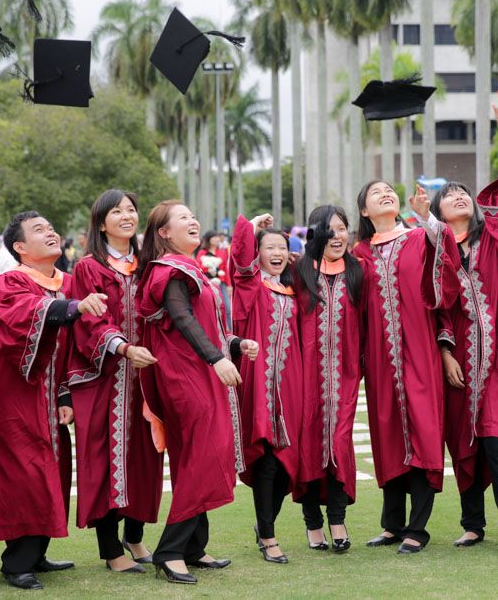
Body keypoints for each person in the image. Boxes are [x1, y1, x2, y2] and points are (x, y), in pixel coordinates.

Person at [0, 211, 108, 590]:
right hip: (10, 397)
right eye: (38, 230)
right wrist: (71, 308)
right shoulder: (9, 282)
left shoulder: (67, 282)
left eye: (50, 228)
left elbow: (72, 348)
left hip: (48, 399)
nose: (50, 233)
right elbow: (23, 319)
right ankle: (17, 564)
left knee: (52, 470)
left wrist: (64, 392)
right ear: (19, 247)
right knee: (22, 475)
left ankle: (36, 553)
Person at [430, 89, 498, 559]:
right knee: (464, 445)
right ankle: (472, 524)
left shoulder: (495, 239)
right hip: (458, 362)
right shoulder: (433, 250)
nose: (458, 196)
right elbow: (435, 308)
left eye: (463, 193)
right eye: (448, 196)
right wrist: (447, 351)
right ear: (436, 213)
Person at [134, 201, 258, 584]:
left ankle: (193, 547)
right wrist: (217, 359)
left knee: (201, 456)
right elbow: (182, 319)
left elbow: (203, 323)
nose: (193, 220)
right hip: (185, 377)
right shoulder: (169, 271)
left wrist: (233, 346)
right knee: (200, 458)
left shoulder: (192, 269)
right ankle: (170, 552)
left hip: (201, 372)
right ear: (164, 234)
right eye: (183, 217)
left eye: (193, 215)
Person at [353, 179, 460, 555]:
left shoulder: (419, 238)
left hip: (420, 353)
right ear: (365, 211)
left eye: (388, 190)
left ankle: (418, 527)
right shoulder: (360, 253)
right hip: (381, 360)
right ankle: (392, 524)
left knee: (423, 432)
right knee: (388, 435)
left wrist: (426, 217)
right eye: (375, 192)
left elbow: (447, 279)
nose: (385, 193)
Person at [67, 190, 163, 574]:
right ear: (101, 222)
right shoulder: (88, 268)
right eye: (116, 211)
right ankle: (111, 549)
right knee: (103, 460)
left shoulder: (148, 265)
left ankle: (135, 537)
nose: (127, 215)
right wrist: (122, 348)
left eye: (131, 209)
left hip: (146, 377)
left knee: (145, 456)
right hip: (104, 379)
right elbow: (89, 321)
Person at [229, 213, 305, 564]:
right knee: (267, 461)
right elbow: (239, 263)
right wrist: (251, 226)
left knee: (286, 465)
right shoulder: (251, 287)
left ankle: (265, 526)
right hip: (258, 386)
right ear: (258, 253)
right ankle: (269, 536)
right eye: (268, 246)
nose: (276, 252)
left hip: (289, 388)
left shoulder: (293, 289)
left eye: (282, 247)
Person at [293, 205, 363, 554]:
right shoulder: (299, 270)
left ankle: (337, 519)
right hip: (305, 379)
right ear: (316, 233)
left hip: (346, 377)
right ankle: (312, 525)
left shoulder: (356, 271)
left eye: (342, 228)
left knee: (339, 444)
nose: (338, 235)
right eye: (330, 229)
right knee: (309, 447)